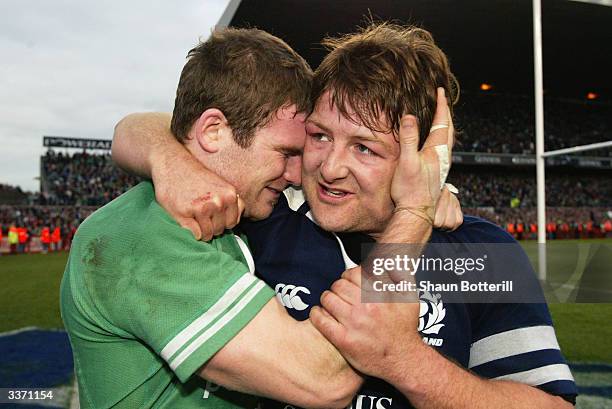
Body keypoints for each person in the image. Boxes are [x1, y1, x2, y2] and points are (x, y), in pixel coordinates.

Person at [113, 23, 576, 408]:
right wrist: (164, 157)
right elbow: (158, 130)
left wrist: (408, 363)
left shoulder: (479, 253)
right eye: (319, 136)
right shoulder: (264, 213)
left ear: (420, 157)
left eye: (364, 147)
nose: (329, 168)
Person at [63, 27, 456, 409]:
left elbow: (136, 129)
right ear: (213, 131)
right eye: (286, 152)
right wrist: (414, 210)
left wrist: (167, 159)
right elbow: (324, 379)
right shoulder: (143, 239)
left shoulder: (236, 213)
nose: (296, 175)